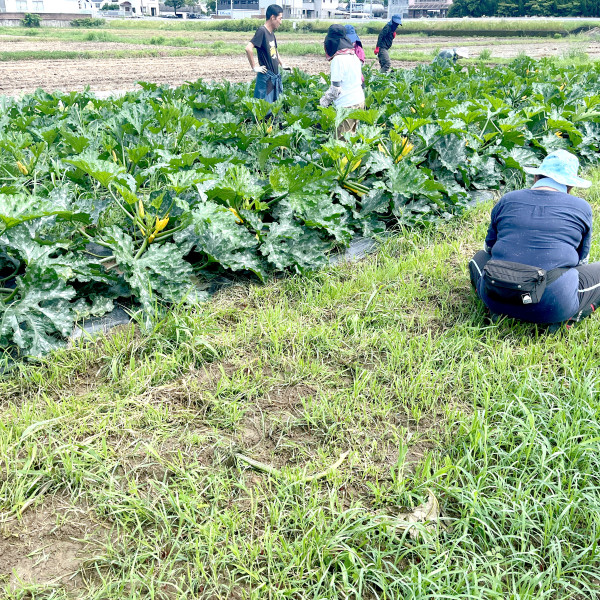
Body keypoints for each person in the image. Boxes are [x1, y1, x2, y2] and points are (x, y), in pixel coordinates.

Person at [469, 149, 600, 327]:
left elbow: (488, 249)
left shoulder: (508, 199)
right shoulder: (581, 207)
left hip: (497, 294)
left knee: (477, 259)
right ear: (570, 186)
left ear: (536, 177)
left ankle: (497, 310)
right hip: (552, 304)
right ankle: (565, 319)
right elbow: (581, 261)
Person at [320, 24, 365, 138]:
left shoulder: (338, 60)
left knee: (342, 143)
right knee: (351, 138)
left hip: (347, 105)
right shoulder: (353, 55)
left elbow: (336, 89)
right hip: (359, 101)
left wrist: (324, 102)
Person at [245, 5, 288, 104]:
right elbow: (248, 48)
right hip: (266, 78)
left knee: (272, 106)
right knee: (264, 107)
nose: (280, 22)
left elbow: (275, 51)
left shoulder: (271, 33)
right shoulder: (262, 31)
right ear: (272, 17)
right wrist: (254, 67)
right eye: (280, 18)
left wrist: (282, 64)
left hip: (274, 76)